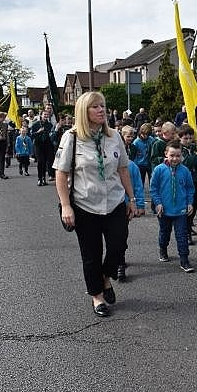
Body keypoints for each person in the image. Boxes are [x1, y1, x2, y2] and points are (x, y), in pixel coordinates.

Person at [54, 91, 136, 318]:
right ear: (84, 111)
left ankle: (105, 276)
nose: (101, 110)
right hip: (85, 205)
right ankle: (97, 295)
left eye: (102, 105)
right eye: (95, 107)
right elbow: (61, 174)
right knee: (91, 254)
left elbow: (123, 169)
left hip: (114, 202)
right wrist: (66, 206)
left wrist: (132, 199)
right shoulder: (71, 137)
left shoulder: (114, 136)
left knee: (118, 245)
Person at [150, 140, 195, 272]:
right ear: (166, 154)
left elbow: (190, 188)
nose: (175, 158)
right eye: (172, 155)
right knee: (165, 232)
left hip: (180, 210)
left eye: (178, 156)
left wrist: (189, 202)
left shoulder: (185, 171)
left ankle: (184, 260)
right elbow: (154, 188)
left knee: (182, 235)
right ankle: (163, 249)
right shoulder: (159, 170)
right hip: (164, 210)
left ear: (182, 156)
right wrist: (158, 203)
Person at [118, 154, 146, 282]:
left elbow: (138, 186)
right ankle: (117, 260)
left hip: (124, 207)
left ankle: (120, 262)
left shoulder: (131, 166)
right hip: (106, 206)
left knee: (121, 235)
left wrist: (139, 204)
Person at [178, 125, 197, 245]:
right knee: (186, 206)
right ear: (180, 138)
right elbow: (186, 162)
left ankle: (189, 225)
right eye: (185, 138)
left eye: (190, 138)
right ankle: (186, 233)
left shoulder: (194, 148)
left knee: (194, 205)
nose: (188, 140)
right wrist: (195, 156)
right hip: (184, 181)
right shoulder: (179, 150)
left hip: (195, 180)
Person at [31, 110, 55, 186]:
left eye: (47, 115)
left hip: (47, 145)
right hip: (38, 145)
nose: (46, 116)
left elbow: (51, 135)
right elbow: (31, 135)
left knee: (45, 162)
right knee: (40, 161)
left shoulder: (50, 125)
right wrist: (38, 132)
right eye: (44, 114)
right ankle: (39, 178)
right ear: (41, 115)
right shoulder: (36, 124)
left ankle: (44, 179)